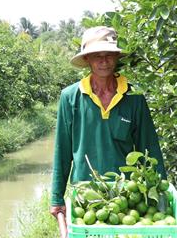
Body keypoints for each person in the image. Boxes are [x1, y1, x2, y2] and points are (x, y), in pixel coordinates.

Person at [49, 26, 166, 219]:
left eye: (109, 55)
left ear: (117, 57)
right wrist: (56, 198)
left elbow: (150, 147)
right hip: (85, 195)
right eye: (97, 55)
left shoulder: (134, 96)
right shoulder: (70, 97)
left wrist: (161, 195)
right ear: (87, 59)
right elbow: (62, 151)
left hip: (127, 198)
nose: (104, 61)